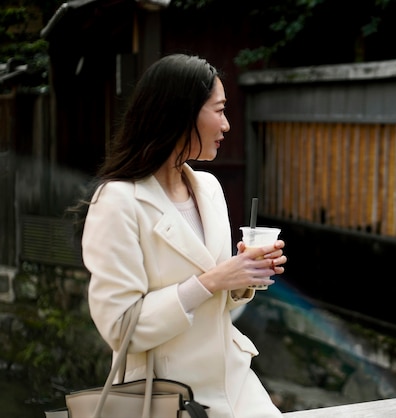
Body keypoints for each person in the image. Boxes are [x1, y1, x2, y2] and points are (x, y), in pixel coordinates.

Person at [75, 54, 286, 417]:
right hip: (165, 398)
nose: (227, 125)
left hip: (234, 383)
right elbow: (119, 328)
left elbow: (221, 299)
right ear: (182, 112)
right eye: (219, 110)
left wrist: (242, 276)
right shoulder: (118, 200)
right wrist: (212, 280)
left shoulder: (209, 187)